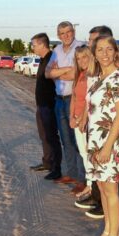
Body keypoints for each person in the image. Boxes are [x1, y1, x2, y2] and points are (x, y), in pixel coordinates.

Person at [85, 36, 119, 236]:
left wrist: (106, 148)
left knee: (111, 190)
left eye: (109, 49)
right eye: (100, 50)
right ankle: (108, 231)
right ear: (94, 54)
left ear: (115, 52)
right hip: (96, 141)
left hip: (111, 143)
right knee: (102, 187)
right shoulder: (98, 78)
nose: (104, 54)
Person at [77, 25, 115, 217]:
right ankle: (96, 197)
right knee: (96, 168)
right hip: (94, 125)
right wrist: (84, 117)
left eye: (93, 41)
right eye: (91, 41)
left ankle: (104, 209)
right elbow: (89, 97)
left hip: (106, 129)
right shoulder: (96, 68)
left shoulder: (114, 73)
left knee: (107, 176)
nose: (90, 43)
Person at [45, 21, 85, 185]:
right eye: (62, 33)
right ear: (58, 35)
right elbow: (47, 73)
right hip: (59, 100)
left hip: (74, 99)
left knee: (78, 140)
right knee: (66, 140)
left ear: (73, 31)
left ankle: (83, 179)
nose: (66, 35)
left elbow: (78, 73)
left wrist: (57, 73)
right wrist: (66, 69)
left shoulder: (81, 47)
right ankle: (72, 174)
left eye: (68, 32)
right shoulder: (56, 51)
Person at [29, 33, 63, 180]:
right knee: (44, 135)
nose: (32, 48)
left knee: (51, 136)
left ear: (42, 45)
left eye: (34, 45)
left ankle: (56, 168)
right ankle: (47, 162)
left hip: (49, 104)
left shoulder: (52, 59)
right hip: (41, 105)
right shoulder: (43, 59)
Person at [70, 45, 94, 199]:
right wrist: (71, 117)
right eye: (78, 58)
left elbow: (89, 99)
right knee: (83, 153)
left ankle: (92, 187)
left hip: (86, 120)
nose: (82, 61)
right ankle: (89, 185)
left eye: (84, 57)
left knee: (89, 154)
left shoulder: (93, 75)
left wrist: (80, 119)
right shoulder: (79, 75)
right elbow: (74, 96)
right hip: (77, 119)